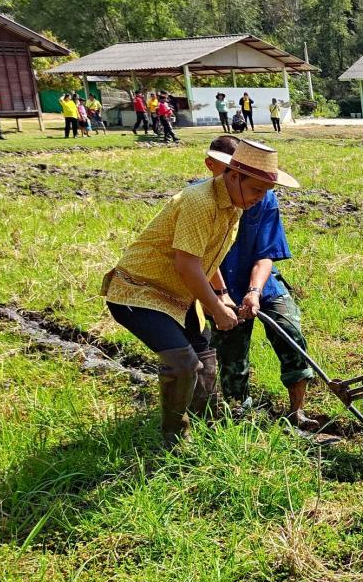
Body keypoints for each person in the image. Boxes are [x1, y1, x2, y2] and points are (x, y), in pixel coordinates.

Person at [102, 138, 298, 443]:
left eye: (265, 192)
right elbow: (187, 264)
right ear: (234, 176)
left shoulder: (233, 205)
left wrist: (221, 295)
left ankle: (207, 429)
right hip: (141, 291)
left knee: (206, 363)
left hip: (180, 296)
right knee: (184, 365)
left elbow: (209, 256)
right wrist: (217, 310)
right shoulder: (200, 202)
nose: (260, 198)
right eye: (256, 190)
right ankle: (176, 440)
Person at [204, 136, 314, 427]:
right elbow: (203, 258)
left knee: (290, 331)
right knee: (231, 351)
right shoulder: (201, 200)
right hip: (218, 284)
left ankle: (298, 411)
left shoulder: (264, 199)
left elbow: (266, 254)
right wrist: (221, 295)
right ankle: (239, 412)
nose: (259, 194)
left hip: (261, 281)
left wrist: (254, 291)